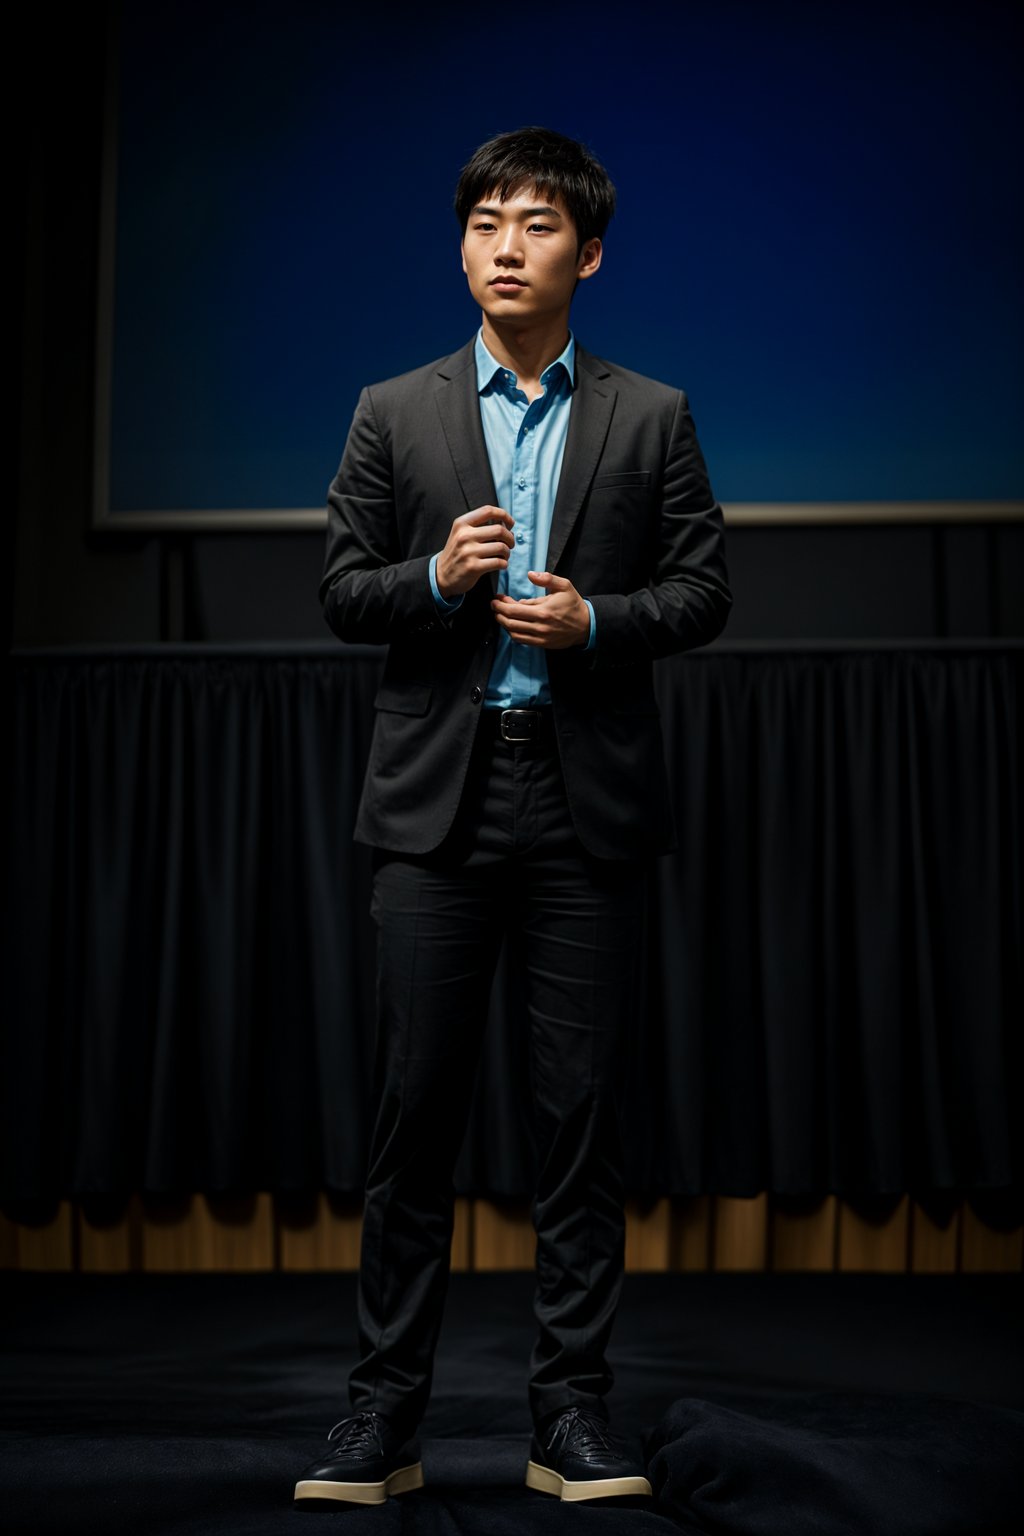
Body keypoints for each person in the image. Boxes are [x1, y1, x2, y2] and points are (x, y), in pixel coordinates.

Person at [294, 126, 731, 1507]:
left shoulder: (650, 412)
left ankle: (570, 1420)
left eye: (535, 223)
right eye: (484, 220)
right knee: (411, 1118)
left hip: (582, 797)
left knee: (578, 1123)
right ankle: (382, 1421)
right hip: (435, 801)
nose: (504, 243)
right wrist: (432, 577)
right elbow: (342, 590)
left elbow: (704, 590)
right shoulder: (393, 407)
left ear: (585, 254)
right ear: (462, 246)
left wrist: (599, 620)